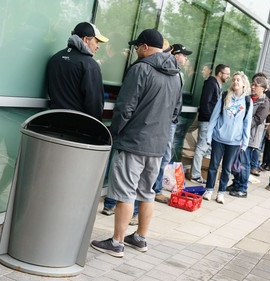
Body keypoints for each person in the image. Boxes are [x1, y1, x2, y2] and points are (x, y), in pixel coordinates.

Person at [91, 29, 182, 258]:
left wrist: (113, 133)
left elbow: (125, 107)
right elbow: (175, 112)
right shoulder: (177, 75)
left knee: (125, 193)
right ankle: (140, 238)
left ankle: (117, 242)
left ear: (144, 47)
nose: (135, 52)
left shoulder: (141, 69)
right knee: (147, 192)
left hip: (133, 142)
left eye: (136, 47)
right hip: (158, 145)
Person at [202, 71, 253, 204]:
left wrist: (245, 142)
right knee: (213, 165)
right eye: (234, 80)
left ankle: (221, 193)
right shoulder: (225, 96)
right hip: (218, 137)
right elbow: (214, 117)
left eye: (238, 80)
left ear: (243, 84)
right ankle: (208, 190)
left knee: (226, 168)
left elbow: (247, 123)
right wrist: (209, 135)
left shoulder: (248, 101)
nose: (235, 82)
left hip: (235, 141)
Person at [152, 43, 191, 204]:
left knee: (165, 156)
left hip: (171, 121)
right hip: (165, 121)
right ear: (175, 55)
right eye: (184, 55)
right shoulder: (168, 73)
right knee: (161, 156)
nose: (186, 58)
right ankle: (154, 189)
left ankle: (155, 188)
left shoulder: (178, 74)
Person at [46, 22, 108, 121]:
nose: (98, 46)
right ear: (85, 39)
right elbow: (94, 104)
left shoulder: (55, 59)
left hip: (53, 120)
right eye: (96, 41)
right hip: (77, 127)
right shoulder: (90, 65)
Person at [229, 76, 270, 198]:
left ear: (263, 88)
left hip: (251, 137)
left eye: (256, 85)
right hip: (240, 135)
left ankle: (242, 188)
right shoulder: (248, 98)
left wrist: (241, 123)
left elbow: (257, 119)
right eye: (252, 84)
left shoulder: (265, 102)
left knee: (245, 163)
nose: (253, 87)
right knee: (237, 161)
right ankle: (236, 183)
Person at [190, 64, 231, 184]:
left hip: (210, 121)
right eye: (226, 74)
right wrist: (210, 119)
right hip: (207, 120)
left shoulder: (218, 85)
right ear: (220, 73)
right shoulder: (211, 83)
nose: (228, 76)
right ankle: (195, 175)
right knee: (201, 147)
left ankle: (201, 172)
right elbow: (205, 103)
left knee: (206, 147)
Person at [249, 72, 270, 176]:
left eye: (257, 84)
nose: (253, 86)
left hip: (259, 127)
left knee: (257, 147)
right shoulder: (249, 95)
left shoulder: (268, 96)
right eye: (254, 83)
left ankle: (254, 166)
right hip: (249, 128)